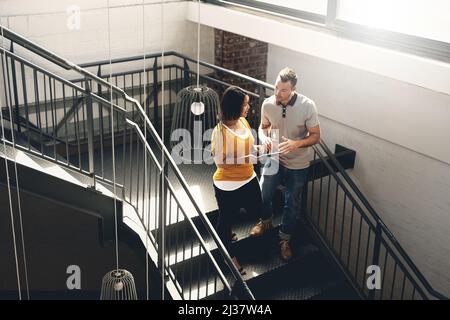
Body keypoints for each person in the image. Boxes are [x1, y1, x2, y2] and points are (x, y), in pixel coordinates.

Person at [249, 67, 321, 261]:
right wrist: (263, 137)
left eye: (283, 90)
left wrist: (296, 143)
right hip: (273, 157)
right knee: (263, 194)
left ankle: (285, 240)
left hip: (298, 163)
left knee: (292, 203)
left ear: (293, 89)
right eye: (276, 88)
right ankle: (265, 222)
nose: (277, 94)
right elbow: (263, 127)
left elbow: (316, 136)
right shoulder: (268, 104)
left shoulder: (308, 106)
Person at [211, 86, 263, 275]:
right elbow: (219, 162)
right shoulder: (220, 132)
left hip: (249, 178)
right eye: (245, 104)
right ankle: (229, 258)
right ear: (235, 107)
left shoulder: (244, 122)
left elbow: (249, 147)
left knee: (257, 209)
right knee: (225, 223)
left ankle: (228, 232)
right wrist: (247, 158)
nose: (248, 107)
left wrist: (261, 147)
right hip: (227, 185)